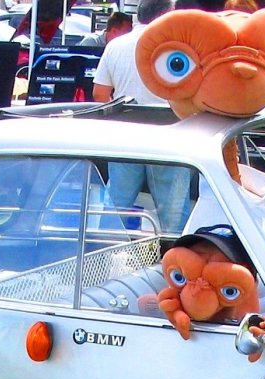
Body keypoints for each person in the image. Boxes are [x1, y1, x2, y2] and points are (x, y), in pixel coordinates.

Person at [93, 0, 190, 233]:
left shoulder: (116, 46)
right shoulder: (176, 48)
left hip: (126, 133)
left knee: (116, 206)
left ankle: (103, 259)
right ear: (167, 14)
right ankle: (173, 262)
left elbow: (99, 93)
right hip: (170, 134)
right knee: (174, 215)